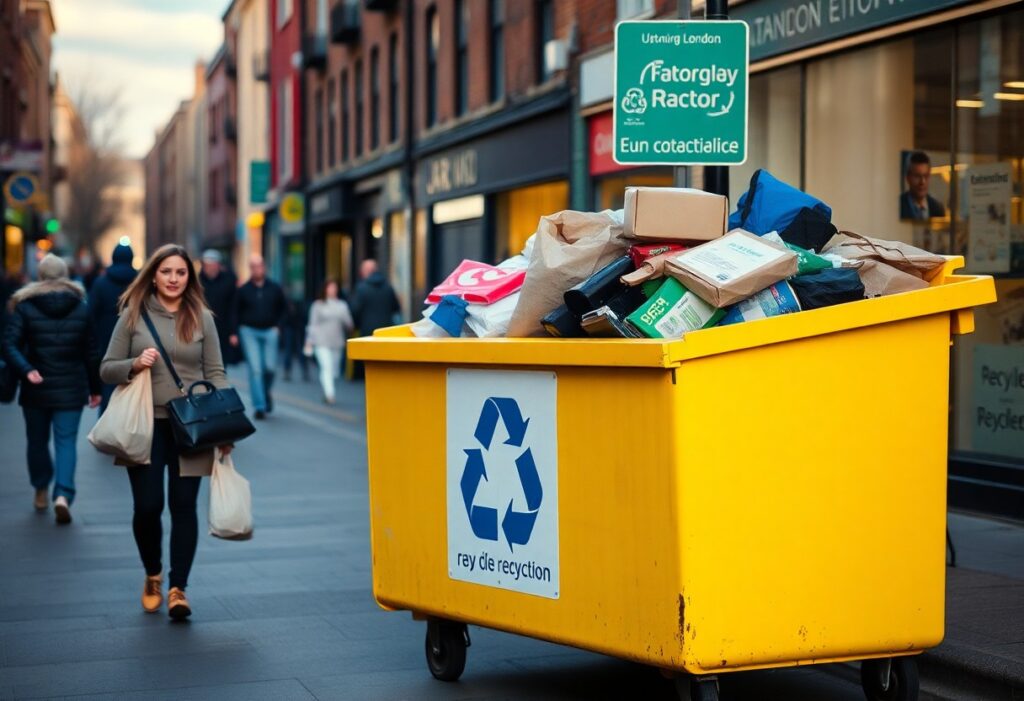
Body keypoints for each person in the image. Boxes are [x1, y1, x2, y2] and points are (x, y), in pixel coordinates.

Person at [100, 244, 233, 621]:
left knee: (183, 507)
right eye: (166, 272)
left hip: (192, 426)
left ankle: (178, 588)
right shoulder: (132, 315)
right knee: (147, 507)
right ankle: (153, 572)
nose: (174, 279)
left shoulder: (202, 317)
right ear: (153, 275)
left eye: (181, 273)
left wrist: (224, 424)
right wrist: (133, 363)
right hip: (143, 424)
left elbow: (216, 372)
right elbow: (106, 368)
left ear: (189, 277)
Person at [2, 254, 101, 523]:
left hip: (36, 388)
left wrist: (26, 370)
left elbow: (9, 344)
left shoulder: (24, 307)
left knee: (37, 441)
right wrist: (96, 388)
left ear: (41, 276)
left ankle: (41, 490)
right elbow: (92, 353)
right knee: (66, 441)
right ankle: (63, 494)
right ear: (65, 275)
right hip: (71, 387)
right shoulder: (81, 307)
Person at [230, 254, 286, 420]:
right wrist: (234, 332)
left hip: (270, 331)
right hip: (249, 331)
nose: (257, 269)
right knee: (255, 369)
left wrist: (279, 328)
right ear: (250, 269)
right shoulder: (243, 290)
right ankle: (260, 406)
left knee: (270, 368)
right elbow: (235, 312)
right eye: (253, 266)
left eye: (259, 266)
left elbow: (284, 310)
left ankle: (265, 392)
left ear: (264, 267)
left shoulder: (275, 288)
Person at [88, 243, 137, 413]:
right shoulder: (139, 283)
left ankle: (108, 427)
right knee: (132, 386)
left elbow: (91, 314)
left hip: (106, 340)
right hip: (134, 339)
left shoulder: (101, 283)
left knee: (108, 385)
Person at [304, 280, 354, 404]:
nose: (332, 290)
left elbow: (349, 323)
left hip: (336, 342)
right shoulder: (318, 305)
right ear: (325, 289)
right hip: (321, 341)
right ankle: (329, 394)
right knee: (326, 367)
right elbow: (312, 324)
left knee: (334, 371)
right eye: (330, 287)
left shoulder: (342, 305)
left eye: (334, 287)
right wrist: (309, 340)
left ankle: (329, 391)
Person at [198, 249, 238, 365]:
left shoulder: (229, 279)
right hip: (203, 327)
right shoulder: (197, 281)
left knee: (222, 362)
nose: (208, 268)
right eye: (206, 265)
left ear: (217, 265)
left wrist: (233, 332)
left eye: (211, 265)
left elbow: (233, 307)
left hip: (223, 328)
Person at [351, 259, 401, 337]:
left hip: (367, 332)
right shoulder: (388, 287)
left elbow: (355, 311)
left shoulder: (361, 288)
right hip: (386, 331)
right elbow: (396, 308)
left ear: (366, 271)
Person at [900, 151, 946, 221]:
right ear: (908, 178)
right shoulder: (899, 206)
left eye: (926, 176)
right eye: (917, 176)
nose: (922, 182)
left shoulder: (938, 208)